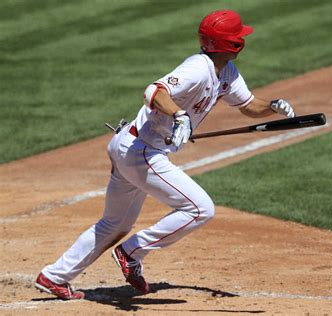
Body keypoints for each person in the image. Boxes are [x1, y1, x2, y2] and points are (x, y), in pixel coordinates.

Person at [34, 9, 295, 300]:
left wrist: (271, 105)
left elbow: (246, 104)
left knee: (115, 223)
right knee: (200, 209)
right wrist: (180, 116)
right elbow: (153, 91)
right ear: (231, 44)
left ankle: (54, 276)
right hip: (142, 152)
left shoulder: (227, 72)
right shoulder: (197, 68)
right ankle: (131, 251)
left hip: (129, 146)